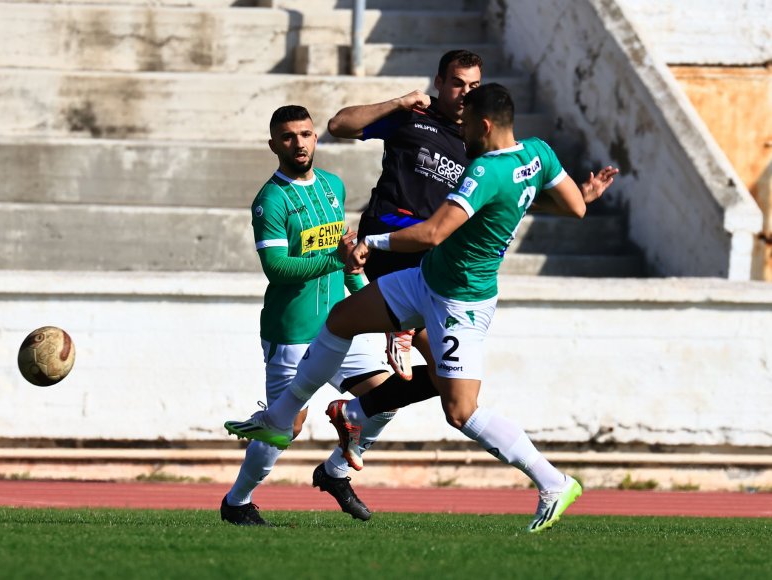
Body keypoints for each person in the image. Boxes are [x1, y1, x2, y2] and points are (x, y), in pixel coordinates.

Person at [226, 84, 619, 533]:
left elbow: (432, 233)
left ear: (484, 125)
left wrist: (366, 244)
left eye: (466, 121)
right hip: (424, 281)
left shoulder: (484, 171)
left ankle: (552, 481)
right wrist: (584, 194)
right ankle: (284, 435)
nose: (460, 129)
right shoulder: (539, 153)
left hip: (460, 301)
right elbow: (575, 206)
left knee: (461, 412)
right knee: (342, 321)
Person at [220, 105, 394, 526]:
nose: (298, 143)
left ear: (316, 138)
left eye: (305, 134)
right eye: (288, 136)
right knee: (284, 431)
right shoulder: (270, 200)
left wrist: (379, 308)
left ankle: (334, 473)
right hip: (292, 333)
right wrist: (337, 260)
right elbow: (277, 269)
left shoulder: (333, 186)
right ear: (274, 144)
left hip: (339, 326)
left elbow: (349, 263)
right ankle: (237, 502)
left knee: (386, 397)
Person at [328, 49, 483, 384]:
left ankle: (356, 415)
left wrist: (574, 198)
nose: (466, 93)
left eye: (474, 86)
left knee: (452, 383)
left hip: (429, 254)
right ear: (439, 82)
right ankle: (400, 326)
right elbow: (339, 125)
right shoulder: (412, 115)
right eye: (457, 83)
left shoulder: (477, 140)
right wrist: (398, 102)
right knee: (433, 242)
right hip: (387, 234)